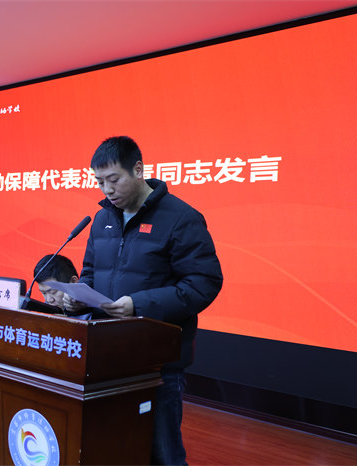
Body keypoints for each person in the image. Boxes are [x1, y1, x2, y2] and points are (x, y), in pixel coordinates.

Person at [65, 136, 223, 465]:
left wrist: (139, 305)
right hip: (107, 354)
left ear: (137, 170)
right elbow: (91, 271)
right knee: (117, 448)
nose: (107, 190)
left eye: (114, 179)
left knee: (163, 453)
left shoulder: (181, 218)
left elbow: (203, 283)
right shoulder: (103, 219)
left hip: (157, 359)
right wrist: (79, 297)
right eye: (99, 181)